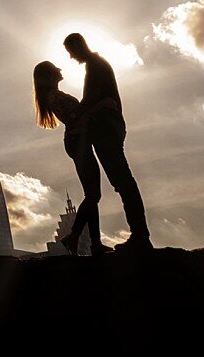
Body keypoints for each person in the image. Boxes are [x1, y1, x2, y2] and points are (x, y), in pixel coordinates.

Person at [63, 31, 152, 251]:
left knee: (123, 181)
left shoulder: (95, 65)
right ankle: (140, 234)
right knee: (122, 182)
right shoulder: (96, 65)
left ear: (78, 46)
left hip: (106, 128)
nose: (71, 58)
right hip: (109, 127)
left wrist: (76, 114)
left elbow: (94, 96)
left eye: (71, 52)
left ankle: (140, 235)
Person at [33, 60, 103, 255]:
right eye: (56, 68)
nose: (61, 68)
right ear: (48, 76)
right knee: (93, 194)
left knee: (93, 194)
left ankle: (93, 242)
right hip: (77, 141)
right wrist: (91, 103)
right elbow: (73, 115)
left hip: (80, 141)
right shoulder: (52, 96)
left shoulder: (53, 95)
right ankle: (76, 237)